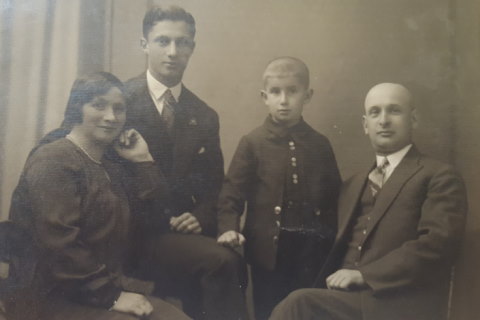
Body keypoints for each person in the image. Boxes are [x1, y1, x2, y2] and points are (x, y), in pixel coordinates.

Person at [270, 83, 467, 320]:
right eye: (375, 112)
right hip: (343, 298)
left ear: (413, 119)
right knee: (289, 296)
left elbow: (437, 245)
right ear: (365, 125)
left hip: (396, 301)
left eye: (394, 111)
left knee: (298, 305)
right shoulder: (353, 184)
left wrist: (365, 275)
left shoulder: (438, 176)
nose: (383, 120)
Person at [7, 72, 190, 320]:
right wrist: (112, 297)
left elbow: (155, 219)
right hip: (49, 296)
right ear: (77, 108)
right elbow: (59, 246)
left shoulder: (110, 165)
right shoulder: (53, 161)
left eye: (119, 109)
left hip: (98, 286)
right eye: (99, 105)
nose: (111, 117)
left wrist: (142, 161)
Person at [124, 6, 247, 320]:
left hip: (179, 237)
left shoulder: (204, 115)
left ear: (193, 47)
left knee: (227, 260)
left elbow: (215, 187)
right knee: (220, 261)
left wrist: (199, 217)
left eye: (183, 43)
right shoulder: (119, 103)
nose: (173, 52)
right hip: (127, 235)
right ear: (144, 44)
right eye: (163, 41)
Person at [217, 57, 341, 319]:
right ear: (264, 96)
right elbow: (231, 194)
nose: (284, 100)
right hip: (268, 252)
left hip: (311, 251)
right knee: (269, 310)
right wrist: (228, 228)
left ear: (307, 96)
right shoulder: (252, 143)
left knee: (306, 308)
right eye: (276, 92)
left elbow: (334, 198)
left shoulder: (320, 145)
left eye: (292, 92)